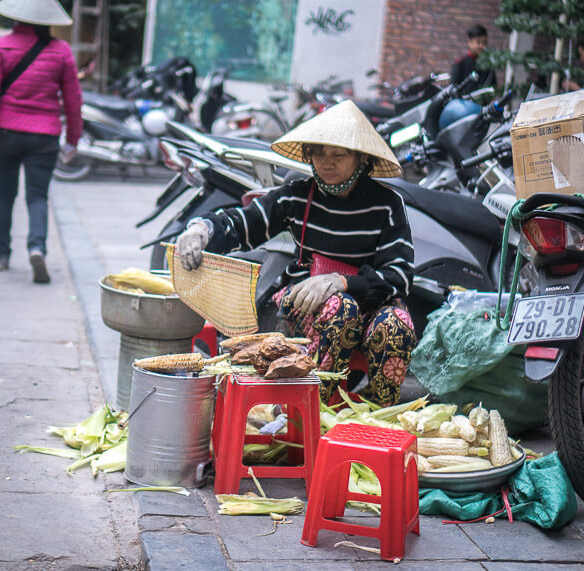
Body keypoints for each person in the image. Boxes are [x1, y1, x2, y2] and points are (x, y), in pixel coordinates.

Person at [175, 100, 417, 406]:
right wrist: (201, 229)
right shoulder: (298, 194)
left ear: (361, 159)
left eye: (338, 155)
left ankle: (374, 419)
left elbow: (399, 277)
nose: (326, 163)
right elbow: (243, 222)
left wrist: (340, 282)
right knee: (341, 310)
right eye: (319, 153)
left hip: (366, 300)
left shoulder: (387, 204)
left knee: (396, 324)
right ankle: (310, 413)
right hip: (307, 300)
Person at [0, 0, 82, 283]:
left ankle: (1, 255)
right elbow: (73, 100)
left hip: (5, 132)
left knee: (5, 193)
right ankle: (37, 247)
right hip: (45, 136)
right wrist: (73, 138)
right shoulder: (61, 51)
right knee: (38, 196)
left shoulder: (2, 46)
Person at [450, 24, 494, 90]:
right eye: (478, 42)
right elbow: (453, 89)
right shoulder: (460, 64)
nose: (482, 46)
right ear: (469, 42)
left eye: (484, 43)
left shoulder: (488, 66)